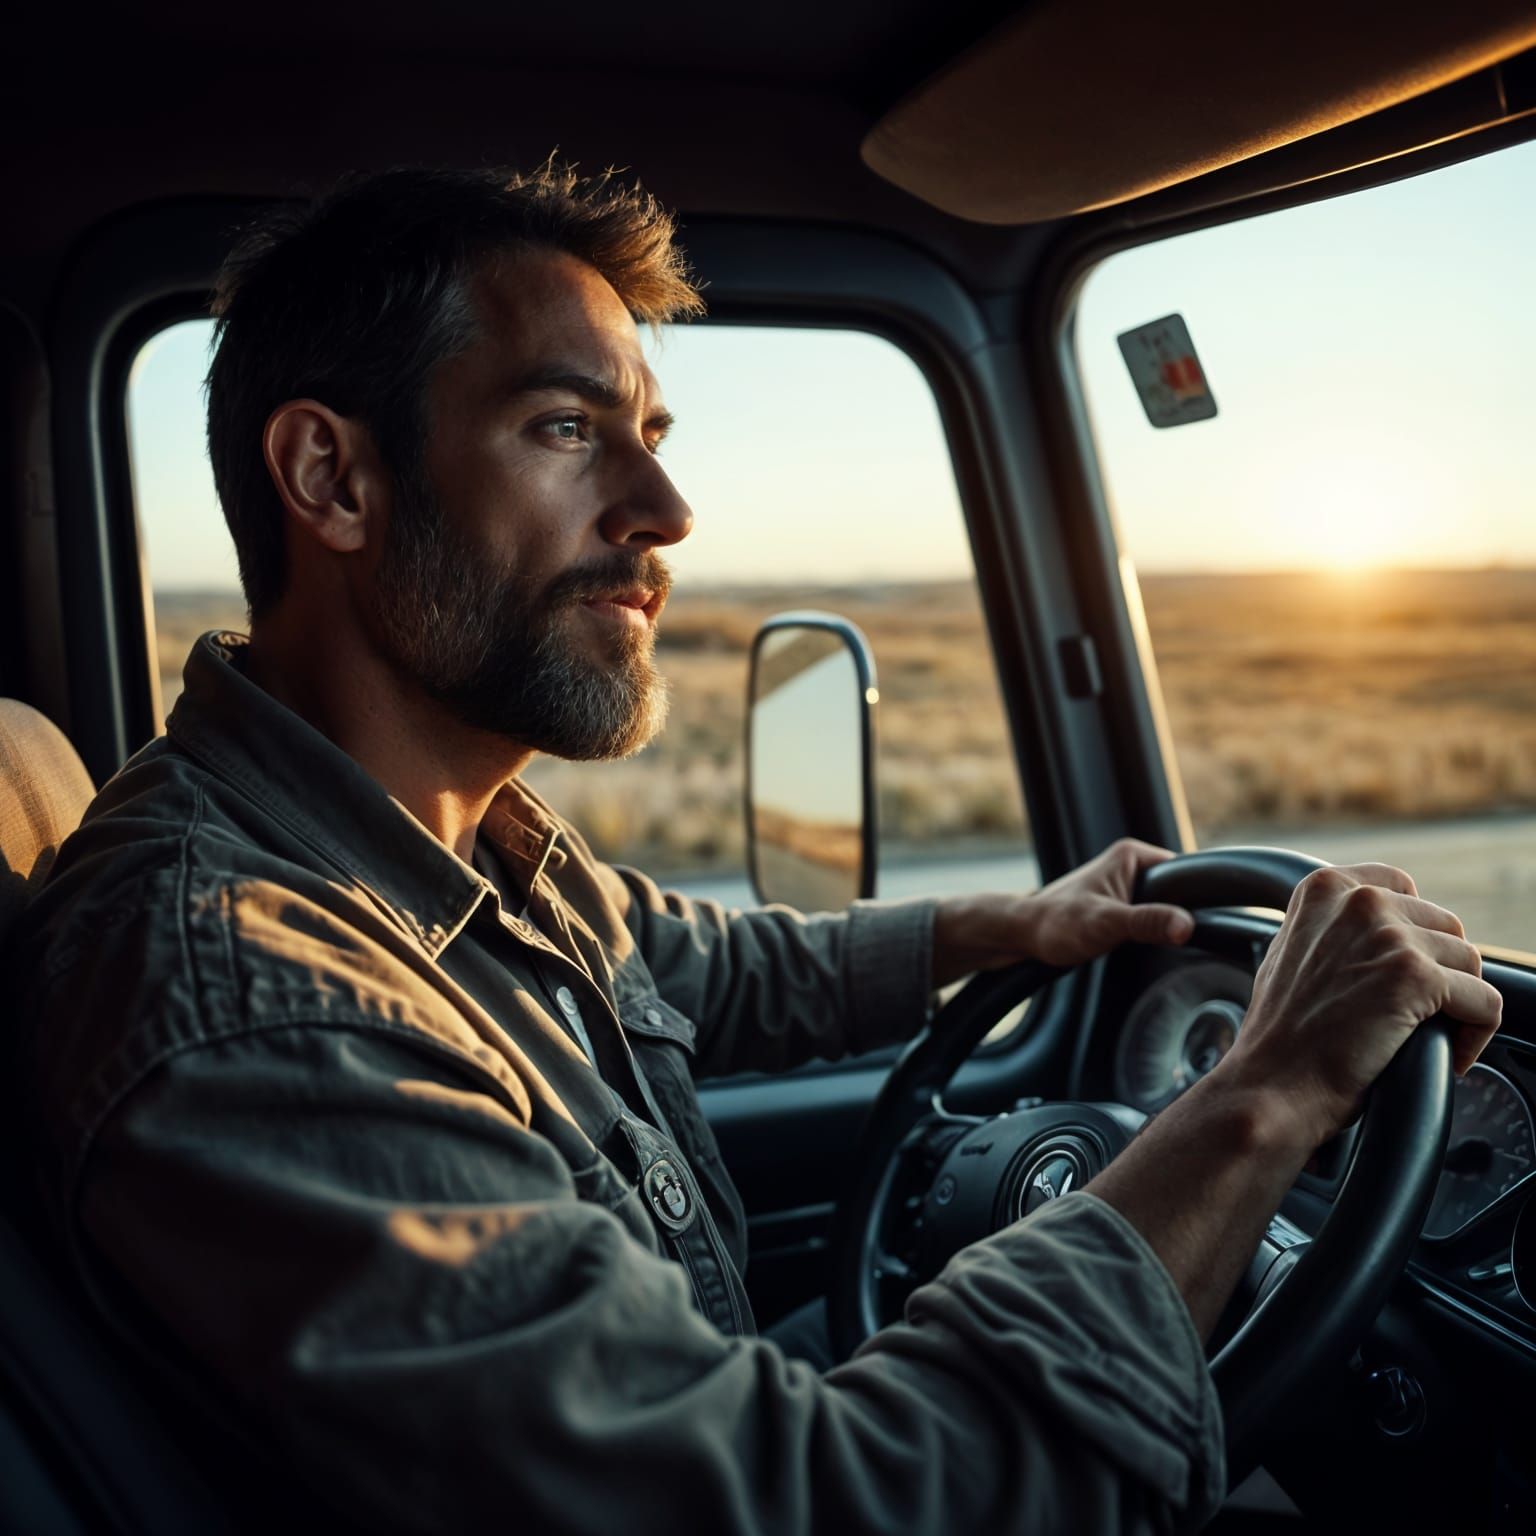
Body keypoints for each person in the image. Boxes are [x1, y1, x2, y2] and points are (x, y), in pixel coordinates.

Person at [13, 164, 1501, 1535]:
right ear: (333, 479)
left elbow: (694, 965)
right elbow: (810, 1508)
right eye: (566, 428)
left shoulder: (429, 842)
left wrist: (1008, 928)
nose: (665, 512)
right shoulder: (253, 997)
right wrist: (1266, 1094)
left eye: (652, 440)